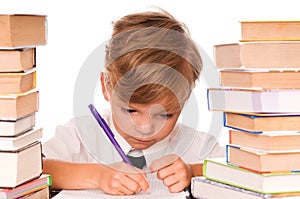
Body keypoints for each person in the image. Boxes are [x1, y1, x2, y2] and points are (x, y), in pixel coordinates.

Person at [42, 8, 225, 196]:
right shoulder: (81, 135)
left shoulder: (199, 146)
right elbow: (38, 169)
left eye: (165, 114)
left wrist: (192, 172)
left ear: (185, 98)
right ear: (106, 87)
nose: (145, 128)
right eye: (131, 111)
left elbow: (242, 174)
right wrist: (98, 175)